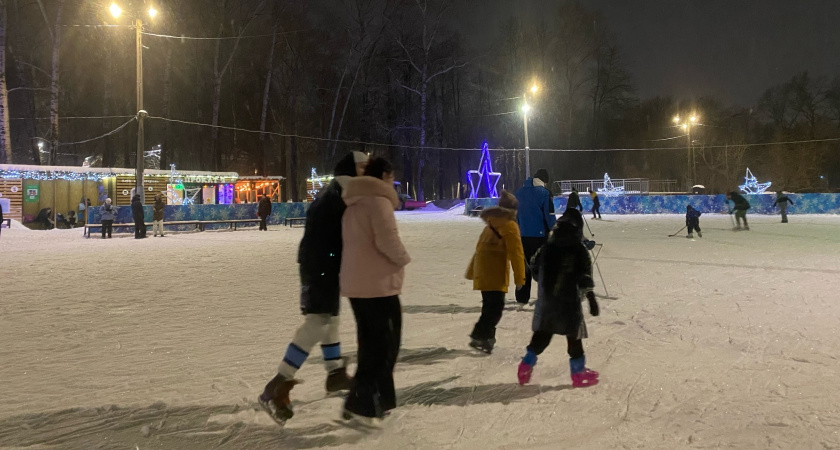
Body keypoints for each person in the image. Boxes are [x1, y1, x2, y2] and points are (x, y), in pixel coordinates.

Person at [258, 151, 367, 425]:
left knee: (329, 319)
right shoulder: (344, 192)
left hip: (320, 265)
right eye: (364, 167)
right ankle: (278, 384)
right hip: (321, 267)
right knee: (318, 321)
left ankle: (334, 373)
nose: (368, 172)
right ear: (354, 170)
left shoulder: (335, 191)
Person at [340, 157, 410, 422]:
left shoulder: (354, 203)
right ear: (384, 175)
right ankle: (364, 403)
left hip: (358, 284)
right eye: (391, 177)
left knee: (371, 345)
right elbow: (387, 240)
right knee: (383, 346)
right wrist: (403, 258)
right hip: (377, 286)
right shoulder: (378, 201)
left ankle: (377, 400)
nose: (392, 183)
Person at [517, 208, 600, 388]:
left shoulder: (547, 246)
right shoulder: (579, 249)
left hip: (548, 301)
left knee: (543, 335)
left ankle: (525, 366)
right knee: (573, 338)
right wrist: (592, 299)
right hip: (569, 303)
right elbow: (584, 277)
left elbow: (534, 265)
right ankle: (578, 373)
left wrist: (544, 279)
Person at [465, 190, 525, 354]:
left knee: (489, 307)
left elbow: (479, 250)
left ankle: (487, 338)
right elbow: (516, 254)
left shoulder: (491, 223)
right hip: (495, 274)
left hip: (484, 273)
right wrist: (520, 278)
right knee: (496, 308)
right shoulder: (510, 225)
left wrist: (473, 272)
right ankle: (480, 335)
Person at [514, 168, 555, 306]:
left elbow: (514, 216)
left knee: (525, 267)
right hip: (540, 237)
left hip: (523, 236)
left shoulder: (518, 193)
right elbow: (549, 216)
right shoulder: (545, 194)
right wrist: (553, 230)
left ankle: (521, 298)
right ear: (544, 181)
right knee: (544, 267)